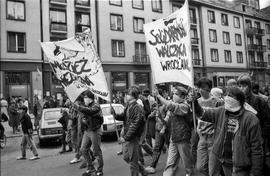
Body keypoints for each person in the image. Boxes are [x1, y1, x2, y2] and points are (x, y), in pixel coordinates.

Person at [191, 86, 263, 176]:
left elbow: (256, 148)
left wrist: (255, 172)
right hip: (223, 162)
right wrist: (194, 102)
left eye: (231, 96)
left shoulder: (251, 119)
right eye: (226, 95)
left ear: (239, 100)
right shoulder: (221, 111)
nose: (227, 98)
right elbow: (203, 114)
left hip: (240, 167)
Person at [153, 86, 194, 176]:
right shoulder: (172, 106)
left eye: (176, 94)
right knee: (170, 163)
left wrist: (158, 96)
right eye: (173, 94)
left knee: (187, 164)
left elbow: (172, 106)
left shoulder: (185, 106)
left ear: (183, 97)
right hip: (173, 138)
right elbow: (166, 122)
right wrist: (160, 117)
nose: (174, 96)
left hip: (183, 138)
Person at [112, 86, 148, 176]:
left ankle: (137, 172)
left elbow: (135, 125)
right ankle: (143, 170)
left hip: (133, 137)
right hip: (128, 137)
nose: (125, 96)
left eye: (127, 94)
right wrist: (115, 114)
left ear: (133, 96)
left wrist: (126, 137)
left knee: (133, 160)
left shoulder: (137, 108)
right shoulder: (128, 106)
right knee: (126, 157)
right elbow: (123, 116)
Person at [237, 74, 270, 174]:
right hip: (243, 137)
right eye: (239, 86)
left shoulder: (259, 100)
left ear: (249, 86)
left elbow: (267, 120)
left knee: (258, 163)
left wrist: (262, 136)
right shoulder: (238, 101)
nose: (241, 88)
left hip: (257, 136)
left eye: (243, 86)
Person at [73, 90, 104, 176]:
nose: (84, 99)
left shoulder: (96, 106)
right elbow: (84, 115)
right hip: (87, 130)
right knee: (83, 149)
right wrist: (83, 121)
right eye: (84, 97)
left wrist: (78, 107)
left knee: (96, 151)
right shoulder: (86, 105)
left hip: (95, 130)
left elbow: (90, 111)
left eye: (86, 97)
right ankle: (90, 168)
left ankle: (100, 170)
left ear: (90, 98)